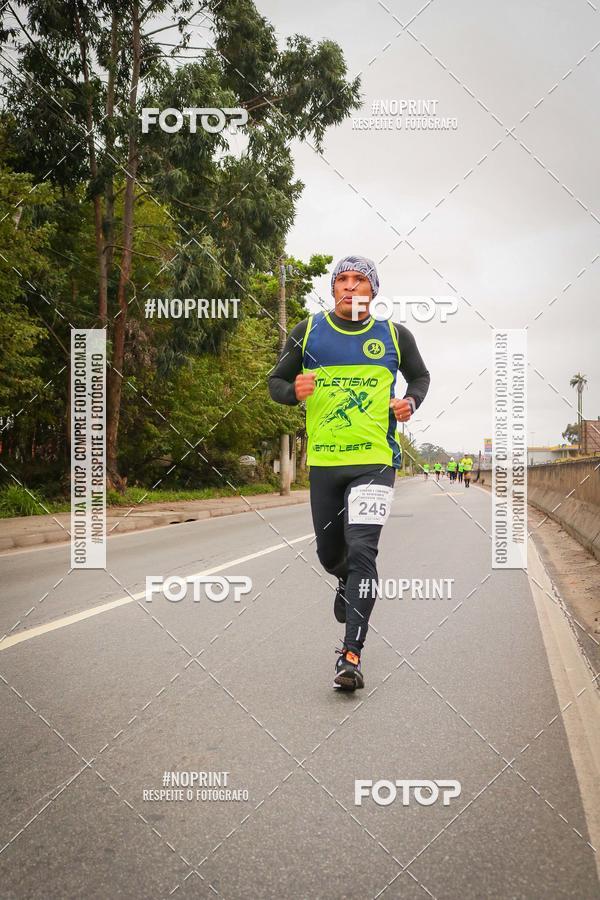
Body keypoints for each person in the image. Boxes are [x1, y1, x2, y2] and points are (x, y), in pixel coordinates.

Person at [268, 255, 430, 690]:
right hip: (324, 462)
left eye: (359, 281)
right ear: (333, 288)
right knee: (330, 555)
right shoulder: (309, 332)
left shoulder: (395, 336)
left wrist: (409, 403)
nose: (350, 287)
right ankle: (344, 580)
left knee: (363, 551)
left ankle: (351, 655)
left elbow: (420, 377)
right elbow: (276, 382)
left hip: (375, 462)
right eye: (342, 280)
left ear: (373, 291)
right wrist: (293, 391)